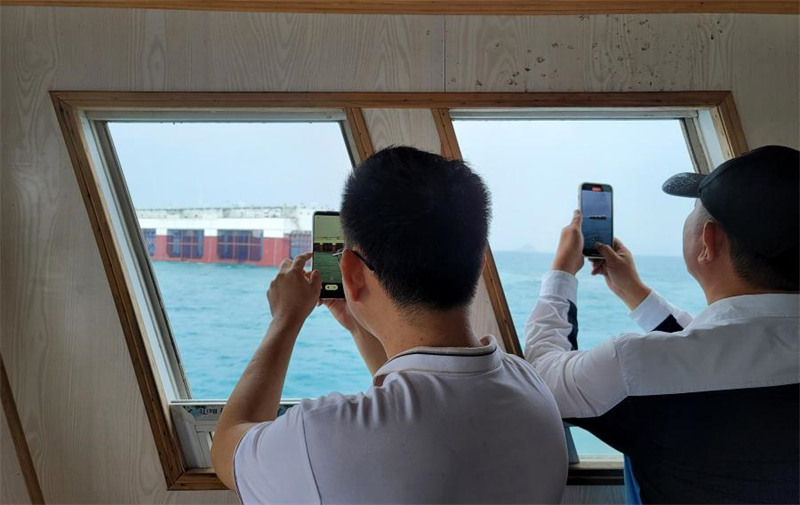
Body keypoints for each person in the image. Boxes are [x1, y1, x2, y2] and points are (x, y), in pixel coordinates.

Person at [212, 146, 568, 504]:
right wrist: (359, 325)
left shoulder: (319, 437)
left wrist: (285, 320)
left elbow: (227, 447)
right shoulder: (531, 389)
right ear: (479, 266)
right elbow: (424, 398)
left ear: (350, 272)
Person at [525, 145, 799, 504]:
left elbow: (543, 377)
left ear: (709, 240)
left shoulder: (633, 365)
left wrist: (561, 272)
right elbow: (717, 348)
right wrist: (633, 292)